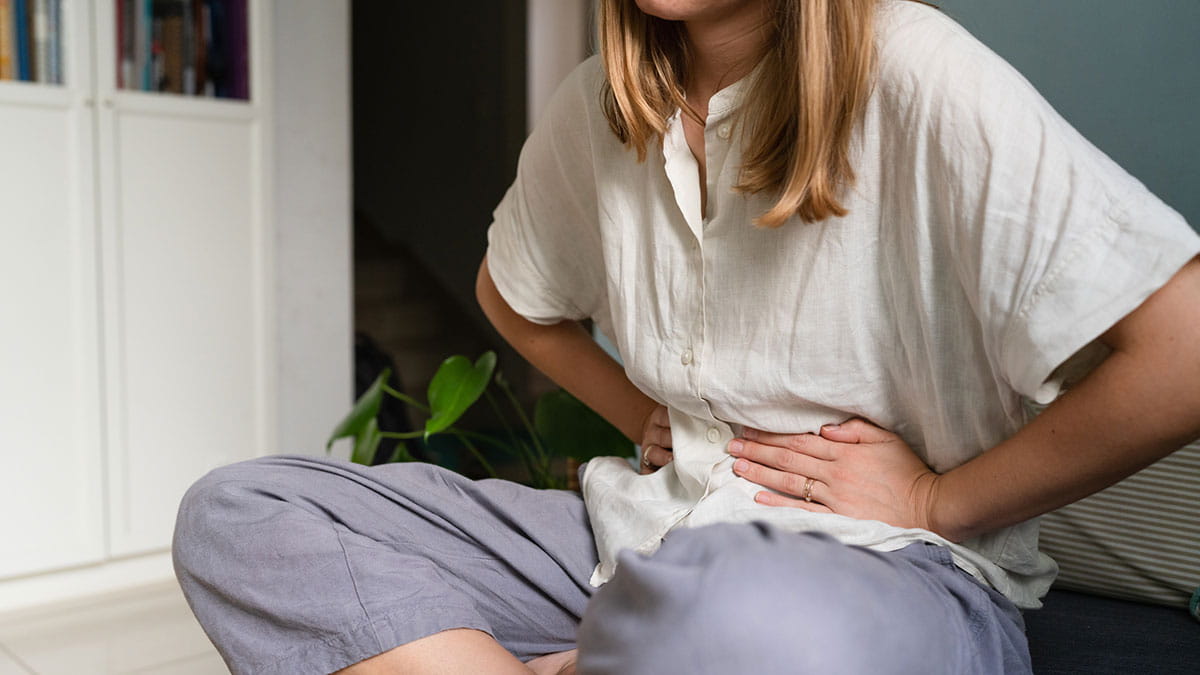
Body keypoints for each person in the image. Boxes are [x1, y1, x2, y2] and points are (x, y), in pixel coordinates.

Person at [173, 1, 1200, 673]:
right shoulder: (595, 108)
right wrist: (641, 413)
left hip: (884, 574)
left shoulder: (919, 70)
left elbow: (1184, 348)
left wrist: (940, 498)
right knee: (242, 513)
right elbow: (510, 291)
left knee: (750, 625)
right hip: (639, 533)